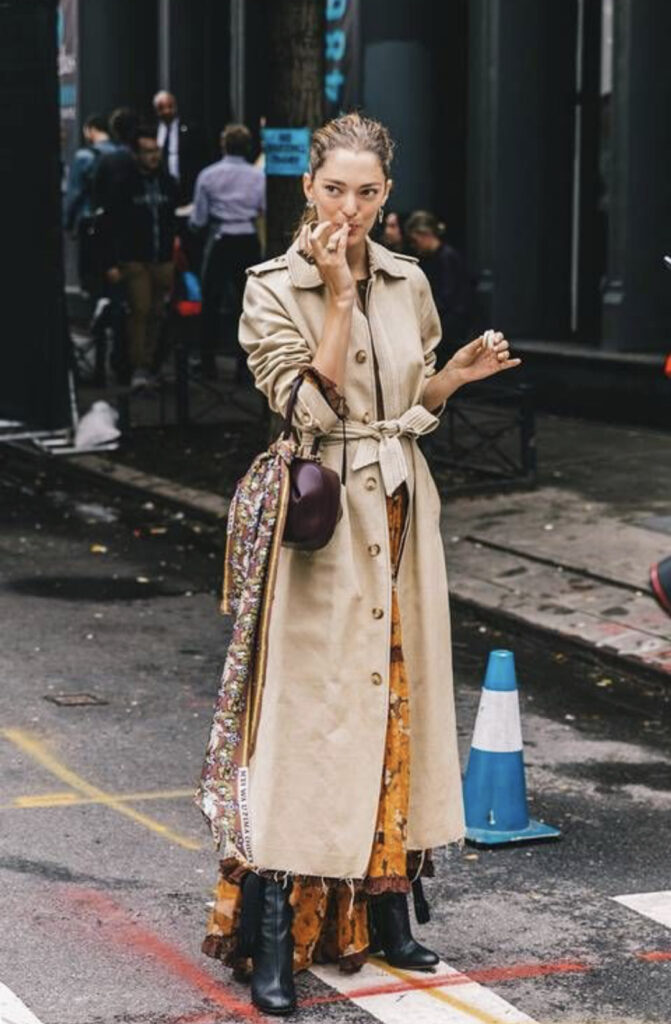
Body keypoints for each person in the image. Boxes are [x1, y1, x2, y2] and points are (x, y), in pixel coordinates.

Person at [196, 112, 521, 1016]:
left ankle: (386, 907)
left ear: (387, 194)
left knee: (396, 705)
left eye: (367, 192)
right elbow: (306, 410)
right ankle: (275, 933)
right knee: (304, 726)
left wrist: (452, 379)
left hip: (403, 513)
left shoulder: (409, 279)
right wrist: (337, 298)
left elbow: (409, 405)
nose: (349, 207)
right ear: (307, 187)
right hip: (320, 521)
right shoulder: (272, 287)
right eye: (334, 188)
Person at [100, 125, 179, 391]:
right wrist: (111, 262)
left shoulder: (168, 183)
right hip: (134, 258)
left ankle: (150, 364)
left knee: (157, 312)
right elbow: (110, 224)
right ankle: (138, 367)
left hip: (162, 257)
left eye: (156, 150)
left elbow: (172, 218)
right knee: (140, 311)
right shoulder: (124, 184)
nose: (153, 156)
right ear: (136, 155)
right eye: (147, 151)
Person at [189, 123, 265, 380]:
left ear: (223, 145)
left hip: (221, 237)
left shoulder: (209, 175)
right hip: (247, 238)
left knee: (211, 300)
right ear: (248, 147)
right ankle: (245, 365)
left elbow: (198, 218)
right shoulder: (258, 176)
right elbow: (263, 207)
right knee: (249, 304)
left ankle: (208, 362)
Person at [405, 209, 475, 358]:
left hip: (450, 325)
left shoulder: (446, 257)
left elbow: (447, 297)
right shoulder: (432, 258)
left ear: (426, 234)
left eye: (415, 240)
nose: (414, 246)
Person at [63, 113, 117, 294]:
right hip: (117, 220)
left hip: (90, 219)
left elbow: (75, 193)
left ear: (91, 130)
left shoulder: (84, 156)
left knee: (90, 273)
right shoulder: (123, 153)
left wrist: (68, 222)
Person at [153, 90, 208, 204]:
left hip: (185, 185)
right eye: (161, 108)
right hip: (160, 187)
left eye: (170, 106)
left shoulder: (190, 129)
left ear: (175, 106)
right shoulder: (153, 131)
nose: (167, 111)